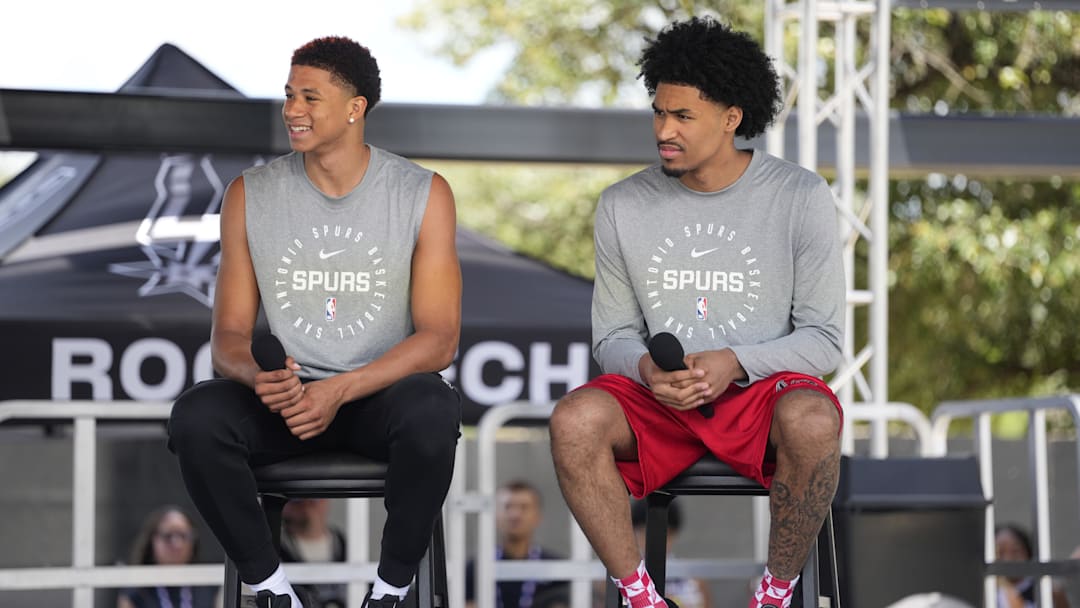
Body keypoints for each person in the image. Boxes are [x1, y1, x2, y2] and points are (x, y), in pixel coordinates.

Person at [547, 16, 845, 608]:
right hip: (660, 400)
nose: (664, 130)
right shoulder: (621, 205)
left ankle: (776, 592)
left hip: (761, 393)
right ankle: (641, 595)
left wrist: (734, 362)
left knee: (814, 420)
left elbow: (825, 341)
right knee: (573, 421)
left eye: (683, 117)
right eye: (659, 112)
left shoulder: (800, 196)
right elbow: (611, 336)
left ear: (732, 117)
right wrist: (648, 371)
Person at [167, 35, 462, 608]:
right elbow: (228, 339)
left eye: (310, 97)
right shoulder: (249, 193)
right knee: (197, 417)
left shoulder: (423, 193)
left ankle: (392, 589)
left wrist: (338, 390)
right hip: (286, 403)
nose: (292, 111)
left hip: (375, 395)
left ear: (356, 108)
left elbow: (439, 339)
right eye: (288, 95)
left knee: (434, 407)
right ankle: (272, 589)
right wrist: (260, 379)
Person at [465, 479, 569, 608]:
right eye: (507, 507)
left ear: (537, 516)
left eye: (524, 507)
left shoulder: (557, 569)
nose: (515, 515)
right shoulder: (475, 568)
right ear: (496, 515)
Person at [117, 505, 219, 608]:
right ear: (152, 541)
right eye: (168, 535)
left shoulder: (208, 585)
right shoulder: (136, 590)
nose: (177, 544)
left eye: (183, 536)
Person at [629, 499, 711, 608]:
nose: (654, 541)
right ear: (634, 532)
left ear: (674, 534)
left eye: (665, 533)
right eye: (645, 533)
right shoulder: (621, 575)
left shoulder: (694, 580)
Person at [280, 499, 347, 608]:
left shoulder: (350, 548)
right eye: (296, 500)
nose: (306, 504)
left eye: (313, 500)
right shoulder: (273, 552)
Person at [994, 523, 1072, 608]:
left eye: (1015, 551)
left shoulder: (1049, 591)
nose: (1008, 559)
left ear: (1028, 552)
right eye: (1000, 553)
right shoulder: (987, 592)